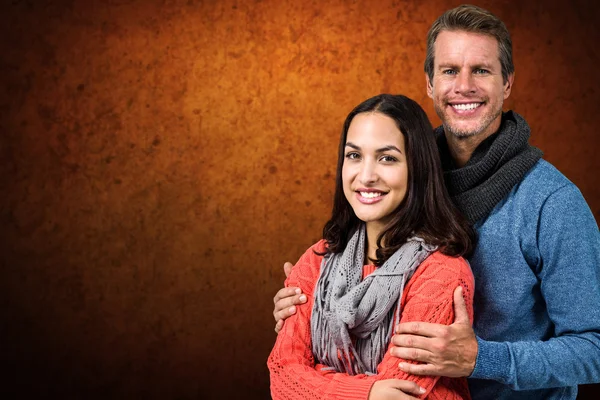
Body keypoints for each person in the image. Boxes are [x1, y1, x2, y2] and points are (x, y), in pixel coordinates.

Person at [272, 5, 600, 400]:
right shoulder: (402, 175)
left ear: (507, 82)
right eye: (449, 70)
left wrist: (481, 359)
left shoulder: (552, 203)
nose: (464, 86)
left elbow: (595, 347)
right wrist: (312, 307)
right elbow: (355, 280)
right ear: (429, 83)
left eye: (481, 70)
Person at [268, 94, 476, 399]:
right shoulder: (316, 260)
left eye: (387, 158)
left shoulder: (441, 273)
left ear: (416, 168)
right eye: (354, 156)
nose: (366, 176)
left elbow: (401, 393)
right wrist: (368, 392)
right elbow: (282, 376)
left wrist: (318, 378)